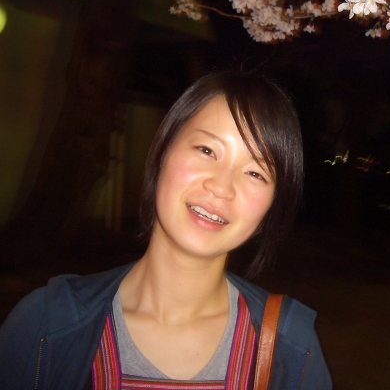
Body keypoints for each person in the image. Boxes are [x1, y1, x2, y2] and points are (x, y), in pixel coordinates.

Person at [0, 72, 332, 389]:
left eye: (255, 173)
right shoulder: (47, 323)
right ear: (162, 151)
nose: (221, 187)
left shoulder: (291, 347)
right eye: (207, 150)